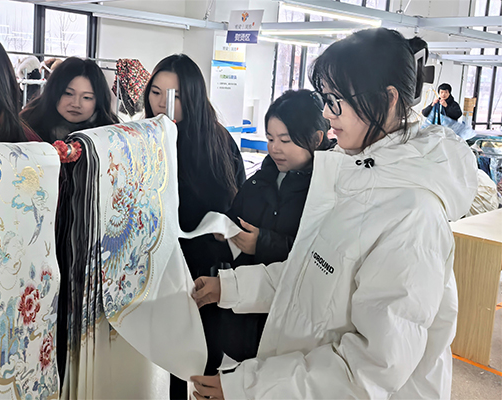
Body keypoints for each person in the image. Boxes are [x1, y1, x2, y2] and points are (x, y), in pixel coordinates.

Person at [192, 28, 477, 400]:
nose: (327, 114)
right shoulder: (351, 174)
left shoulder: (412, 214)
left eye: (336, 100)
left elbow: (371, 368)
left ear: (388, 98)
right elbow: (309, 275)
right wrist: (230, 287)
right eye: (326, 99)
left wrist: (247, 388)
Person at [143, 53, 246, 399]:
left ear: (194, 97)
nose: (162, 104)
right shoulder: (142, 141)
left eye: (174, 95)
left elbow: (236, 205)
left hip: (204, 274)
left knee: (203, 361)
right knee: (165, 361)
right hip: (158, 271)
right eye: (155, 92)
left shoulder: (217, 142)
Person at [216, 89, 331, 364]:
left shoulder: (326, 190)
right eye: (270, 138)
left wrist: (262, 243)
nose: (274, 148)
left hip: (287, 322)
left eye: (285, 140)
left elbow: (320, 258)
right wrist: (225, 229)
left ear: (317, 139)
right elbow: (236, 214)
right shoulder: (262, 178)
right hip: (242, 314)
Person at [21, 57, 118, 143]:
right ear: (53, 92)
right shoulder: (27, 129)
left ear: (98, 101)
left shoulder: (111, 136)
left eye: (86, 97)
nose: (76, 104)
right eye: (68, 93)